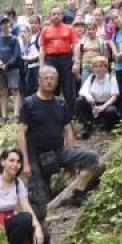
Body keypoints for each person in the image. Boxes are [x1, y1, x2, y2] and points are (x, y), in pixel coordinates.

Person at [17, 66, 99, 222]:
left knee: (91, 158)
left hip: (58, 152)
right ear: (39, 80)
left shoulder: (61, 104)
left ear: (56, 81)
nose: (49, 81)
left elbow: (68, 130)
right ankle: (39, 230)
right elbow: (21, 133)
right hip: (35, 157)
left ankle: (78, 192)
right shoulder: (29, 103)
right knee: (40, 202)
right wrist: (25, 163)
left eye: (52, 78)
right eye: (46, 78)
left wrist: (70, 158)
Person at [39, 7, 80, 114]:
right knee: (51, 85)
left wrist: (76, 61)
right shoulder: (45, 30)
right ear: (50, 16)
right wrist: (41, 65)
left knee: (68, 87)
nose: (56, 16)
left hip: (66, 59)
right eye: (53, 14)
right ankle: (52, 112)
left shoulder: (70, 28)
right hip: (51, 60)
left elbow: (76, 46)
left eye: (58, 14)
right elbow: (42, 49)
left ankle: (71, 114)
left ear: (62, 16)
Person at [75, 56, 120, 138]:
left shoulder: (111, 78)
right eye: (95, 66)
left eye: (101, 66)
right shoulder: (91, 78)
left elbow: (114, 96)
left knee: (112, 111)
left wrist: (103, 107)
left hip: (107, 105)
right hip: (94, 105)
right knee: (80, 100)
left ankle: (107, 127)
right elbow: (82, 91)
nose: (98, 69)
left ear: (106, 68)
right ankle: (87, 125)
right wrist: (88, 96)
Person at [0, 16, 23, 122]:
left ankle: (16, 115)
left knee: (15, 90)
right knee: (3, 91)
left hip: (12, 68)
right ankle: (4, 116)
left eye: (7, 23)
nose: (5, 25)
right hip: (0, 69)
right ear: (0, 26)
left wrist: (8, 65)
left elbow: (17, 55)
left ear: (10, 25)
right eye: (3, 23)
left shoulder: (14, 39)